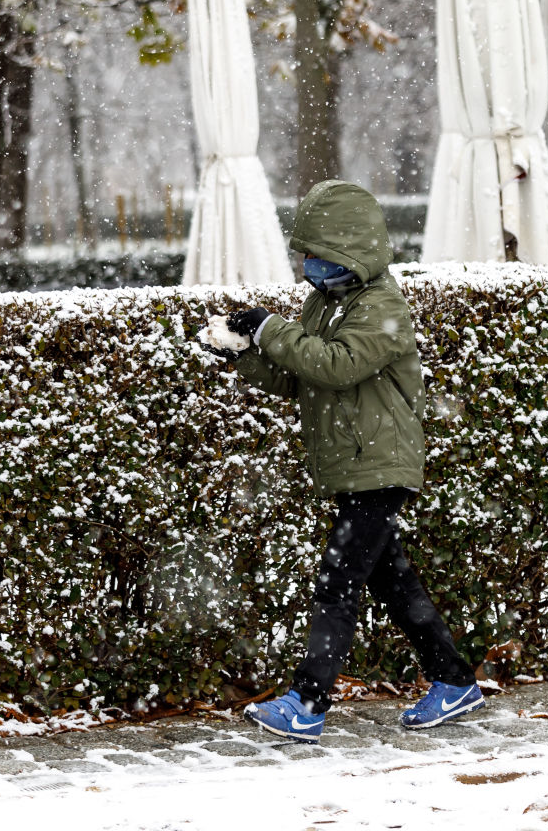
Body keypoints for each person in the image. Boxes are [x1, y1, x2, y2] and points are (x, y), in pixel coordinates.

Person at [216, 180, 483, 743]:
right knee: (392, 582)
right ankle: (455, 680)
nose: (307, 265)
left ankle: (308, 703)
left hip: (382, 464)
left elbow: (337, 366)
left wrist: (269, 328)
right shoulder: (324, 303)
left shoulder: (383, 306)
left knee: (337, 581)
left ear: (348, 250)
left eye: (317, 254)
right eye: (304, 254)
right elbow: (302, 377)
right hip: (357, 465)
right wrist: (241, 355)